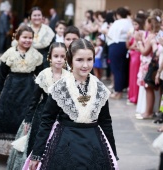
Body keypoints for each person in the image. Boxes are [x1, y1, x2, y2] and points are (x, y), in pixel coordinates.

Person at [24, 38, 119, 170]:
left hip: (94, 146)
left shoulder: (100, 87)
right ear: (70, 61)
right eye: (80, 60)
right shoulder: (60, 87)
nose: (85, 65)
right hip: (65, 144)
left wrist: (113, 154)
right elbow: (47, 120)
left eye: (89, 59)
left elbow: (106, 122)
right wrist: (37, 154)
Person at [7, 42, 70, 170]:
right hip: (42, 116)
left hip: (62, 118)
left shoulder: (69, 76)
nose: (59, 59)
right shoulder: (44, 75)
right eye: (56, 56)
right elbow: (34, 100)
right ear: (50, 57)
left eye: (62, 56)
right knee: (37, 145)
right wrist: (28, 119)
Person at [0, 25, 43, 155]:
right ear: (17, 37)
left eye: (30, 38)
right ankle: (6, 150)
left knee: (23, 119)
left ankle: (21, 152)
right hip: (10, 90)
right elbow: (2, 77)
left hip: (29, 90)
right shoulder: (9, 53)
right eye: (24, 37)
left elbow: (41, 77)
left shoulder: (36, 55)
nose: (27, 40)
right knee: (5, 117)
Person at [107, 7, 133, 99]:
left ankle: (118, 92)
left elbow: (110, 34)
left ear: (118, 15)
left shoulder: (117, 22)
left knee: (116, 69)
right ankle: (120, 90)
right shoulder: (129, 22)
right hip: (125, 45)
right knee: (123, 69)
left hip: (116, 45)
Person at [126, 17, 145, 105]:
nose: (134, 26)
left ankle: (135, 97)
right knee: (132, 76)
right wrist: (127, 38)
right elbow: (129, 46)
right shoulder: (134, 33)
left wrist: (133, 45)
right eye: (133, 24)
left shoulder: (140, 33)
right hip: (133, 55)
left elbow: (135, 46)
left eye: (136, 24)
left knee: (135, 76)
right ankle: (132, 96)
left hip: (136, 56)